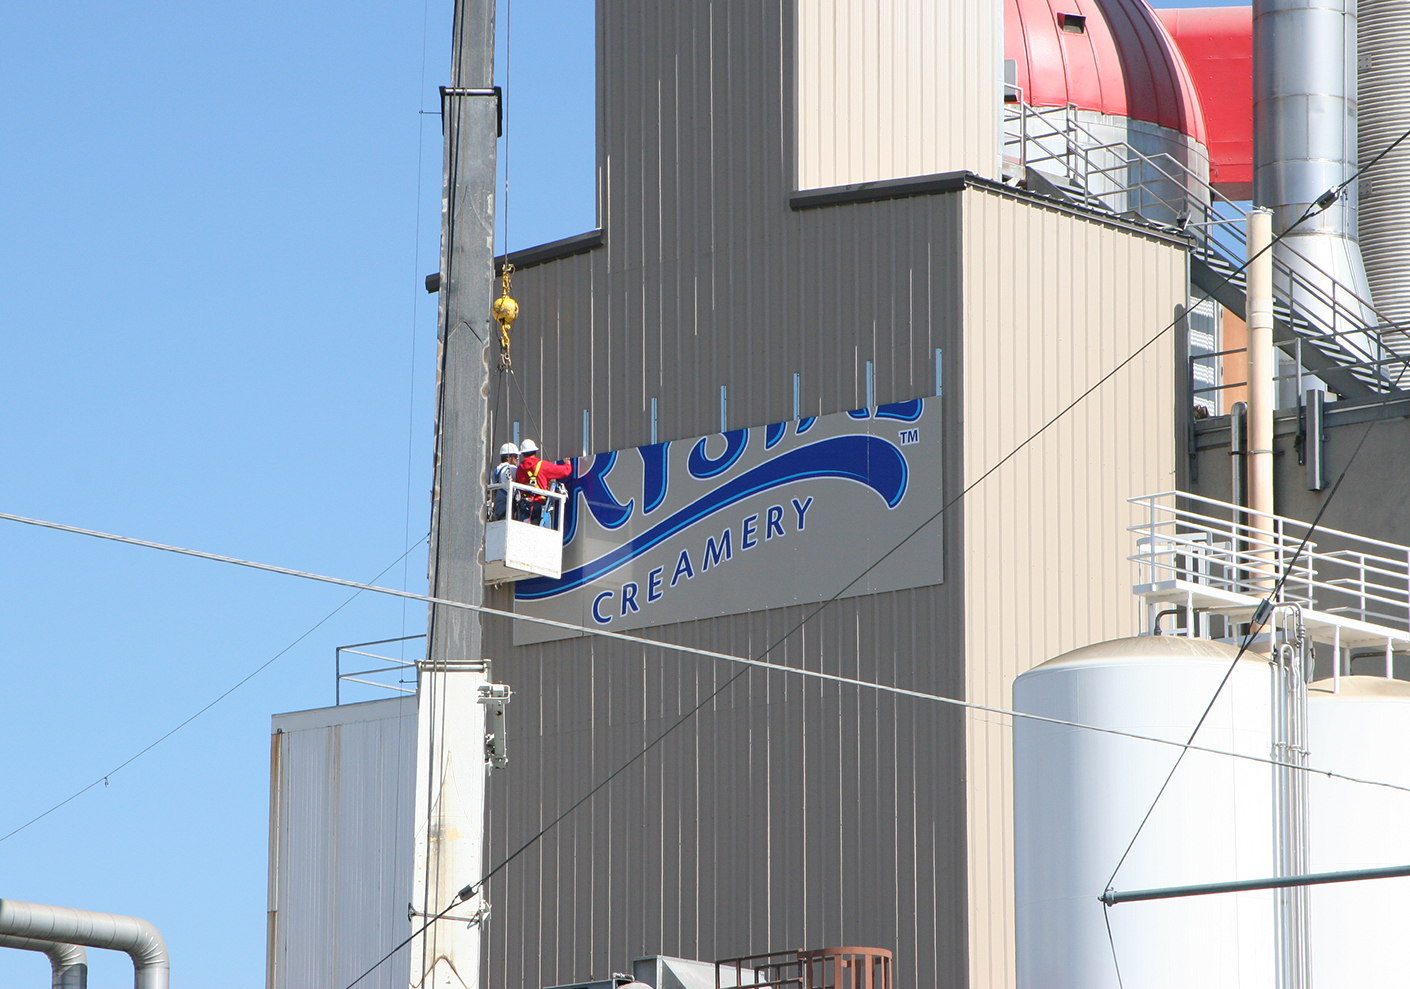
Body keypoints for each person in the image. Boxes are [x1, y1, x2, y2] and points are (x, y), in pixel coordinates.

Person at [514, 438, 573, 527]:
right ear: (535, 452)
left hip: (525, 505)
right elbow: (564, 472)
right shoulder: (542, 465)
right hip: (540, 504)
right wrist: (567, 464)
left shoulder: (519, 469)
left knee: (525, 534)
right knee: (545, 535)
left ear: (523, 453)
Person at [488, 442, 519, 521]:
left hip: (498, 504)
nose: (517, 458)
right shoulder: (512, 468)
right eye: (515, 456)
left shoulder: (495, 470)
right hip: (507, 504)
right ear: (508, 457)